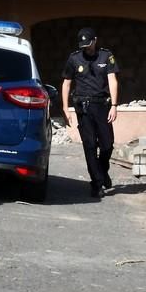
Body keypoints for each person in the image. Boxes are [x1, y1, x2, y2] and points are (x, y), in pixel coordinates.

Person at [61, 27, 119, 198]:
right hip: (83, 107)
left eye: (89, 44)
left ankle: (102, 171)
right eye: (83, 45)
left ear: (95, 40)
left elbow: (112, 80)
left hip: (102, 106)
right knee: (90, 145)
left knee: (107, 145)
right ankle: (97, 184)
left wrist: (115, 105)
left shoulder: (105, 56)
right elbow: (66, 83)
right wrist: (65, 108)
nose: (86, 48)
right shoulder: (74, 58)